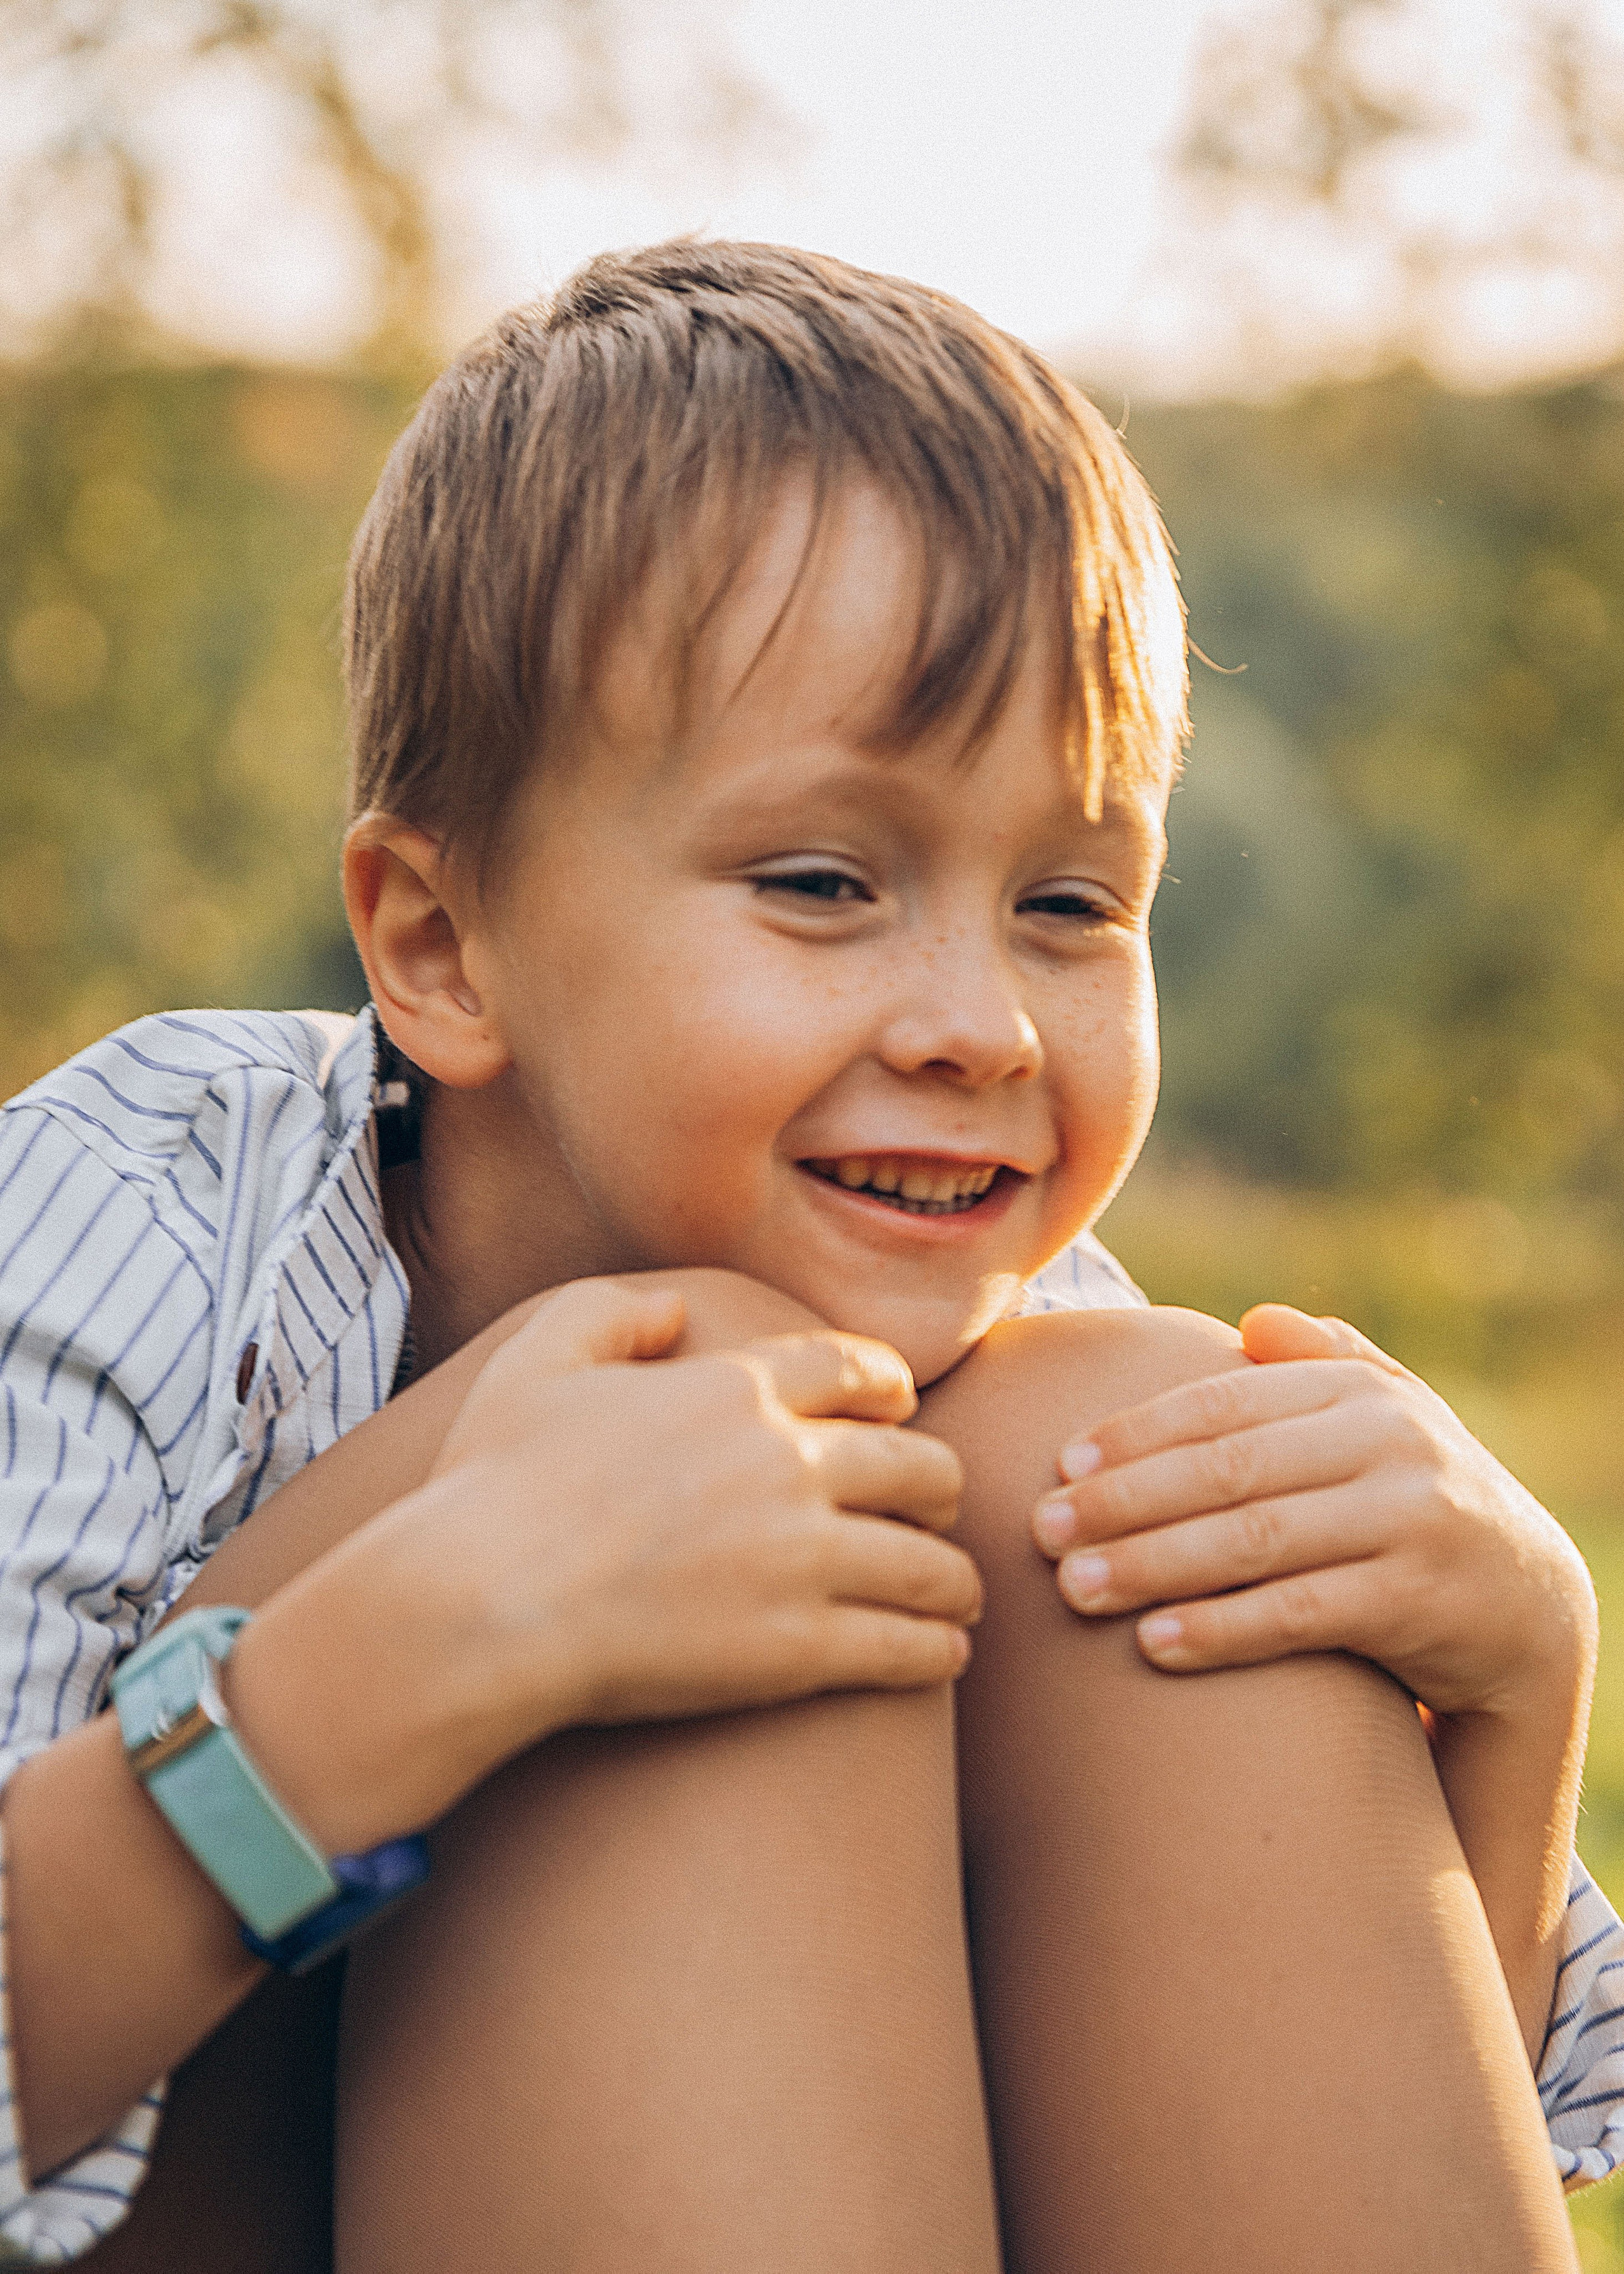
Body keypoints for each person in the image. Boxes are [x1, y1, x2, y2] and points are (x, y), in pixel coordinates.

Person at [0, 240, 1615, 2272]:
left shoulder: (1037, 1371)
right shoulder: (127, 1222)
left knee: (1140, 1463)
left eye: (1069, 903)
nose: (985, 1024)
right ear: (438, 944)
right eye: (824, 880)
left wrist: (1520, 1692)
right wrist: (411, 1653)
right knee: (706, 1409)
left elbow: (1322, 2106)